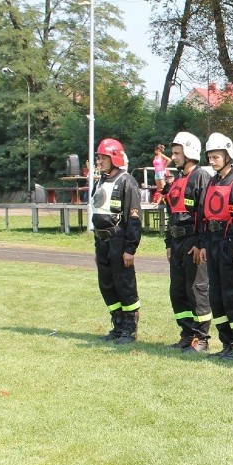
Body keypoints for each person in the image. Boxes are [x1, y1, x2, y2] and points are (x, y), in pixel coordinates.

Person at [196, 133, 233, 360]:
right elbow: (203, 215)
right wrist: (202, 244)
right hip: (212, 242)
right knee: (216, 295)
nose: (212, 160)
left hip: (231, 243)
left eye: (216, 156)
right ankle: (226, 343)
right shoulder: (211, 181)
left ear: (228, 156)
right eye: (210, 156)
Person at [164, 131, 213, 352]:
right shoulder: (177, 180)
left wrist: (200, 243)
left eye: (177, 153)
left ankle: (202, 338)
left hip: (192, 240)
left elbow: (204, 212)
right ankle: (187, 333)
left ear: (189, 151)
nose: (173, 157)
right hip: (176, 242)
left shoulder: (200, 176)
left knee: (197, 289)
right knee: (178, 290)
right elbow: (170, 212)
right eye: (173, 153)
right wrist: (168, 243)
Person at [92, 138, 143, 344]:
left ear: (114, 158)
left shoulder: (126, 181)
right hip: (102, 241)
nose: (99, 162)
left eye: (103, 158)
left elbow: (134, 218)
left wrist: (130, 248)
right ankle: (118, 324)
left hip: (118, 240)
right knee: (107, 285)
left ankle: (129, 329)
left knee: (124, 285)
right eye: (99, 158)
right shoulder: (101, 181)